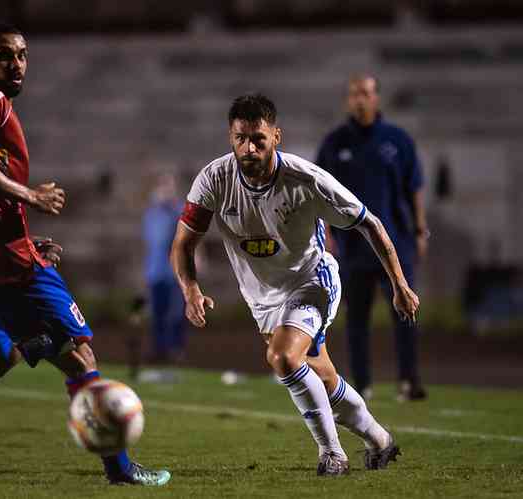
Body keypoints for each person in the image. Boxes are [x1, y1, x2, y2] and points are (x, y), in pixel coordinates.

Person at [0, 24, 170, 487]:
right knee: (80, 355)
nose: (16, 64)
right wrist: (30, 199)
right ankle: (120, 470)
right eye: (5, 55)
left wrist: (14, 231)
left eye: (22, 55)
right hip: (3, 263)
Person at [171, 94, 419, 475]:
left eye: (259, 139)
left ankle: (332, 453)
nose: (249, 148)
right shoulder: (214, 179)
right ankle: (379, 439)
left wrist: (400, 284)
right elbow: (183, 243)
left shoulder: (307, 180)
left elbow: (370, 223)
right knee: (322, 376)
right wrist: (190, 290)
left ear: (277, 137)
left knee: (284, 358)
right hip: (264, 299)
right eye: (240, 139)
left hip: (312, 281)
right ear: (230, 138)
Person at [316, 74, 428, 401]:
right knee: (356, 320)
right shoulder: (335, 143)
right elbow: (317, 192)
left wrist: (420, 230)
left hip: (396, 244)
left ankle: (409, 381)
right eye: (354, 94)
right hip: (352, 248)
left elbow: (415, 188)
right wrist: (327, 233)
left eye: (365, 93)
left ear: (377, 97)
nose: (360, 99)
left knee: (406, 311)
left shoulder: (398, 140)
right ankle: (362, 384)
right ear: (348, 100)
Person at [142, 173, 187, 366]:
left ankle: (176, 349)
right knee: (158, 312)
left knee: (176, 312)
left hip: (175, 270)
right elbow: (151, 243)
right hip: (156, 270)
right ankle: (160, 349)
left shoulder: (179, 211)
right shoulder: (151, 214)